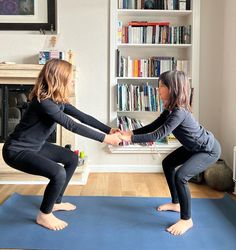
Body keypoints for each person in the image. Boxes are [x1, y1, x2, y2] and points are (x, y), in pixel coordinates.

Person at [2, 58, 121, 231]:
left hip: (36, 146)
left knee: (72, 159)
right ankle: (44, 215)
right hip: (16, 151)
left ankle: (55, 202)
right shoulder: (43, 102)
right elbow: (72, 125)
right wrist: (105, 139)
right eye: (70, 78)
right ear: (59, 79)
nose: (73, 81)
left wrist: (109, 130)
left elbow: (82, 117)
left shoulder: (57, 100)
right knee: (57, 173)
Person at [120, 70, 221, 235]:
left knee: (181, 176)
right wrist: (130, 133)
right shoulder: (170, 110)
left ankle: (187, 219)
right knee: (167, 163)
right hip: (193, 147)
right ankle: (176, 203)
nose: (158, 89)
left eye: (161, 86)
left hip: (207, 150)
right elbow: (153, 126)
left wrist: (129, 139)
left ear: (172, 88)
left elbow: (157, 135)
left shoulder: (179, 112)